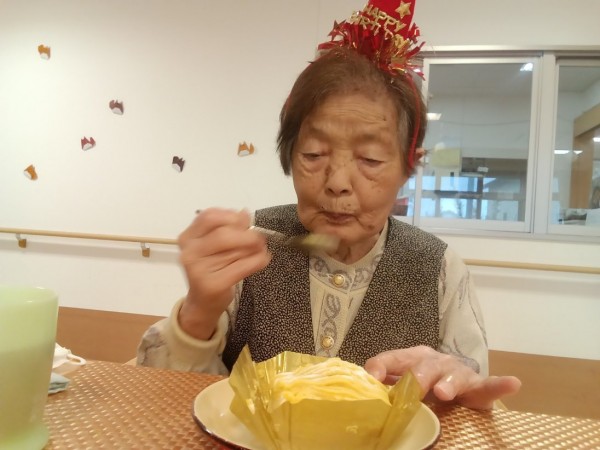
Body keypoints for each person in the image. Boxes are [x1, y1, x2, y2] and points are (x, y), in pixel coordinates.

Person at [138, 0, 520, 410]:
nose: (337, 183)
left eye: (370, 159)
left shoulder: (439, 269)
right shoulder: (252, 246)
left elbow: (475, 402)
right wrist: (197, 315)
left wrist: (458, 394)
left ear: (409, 168)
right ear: (289, 156)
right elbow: (170, 402)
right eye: (314, 154)